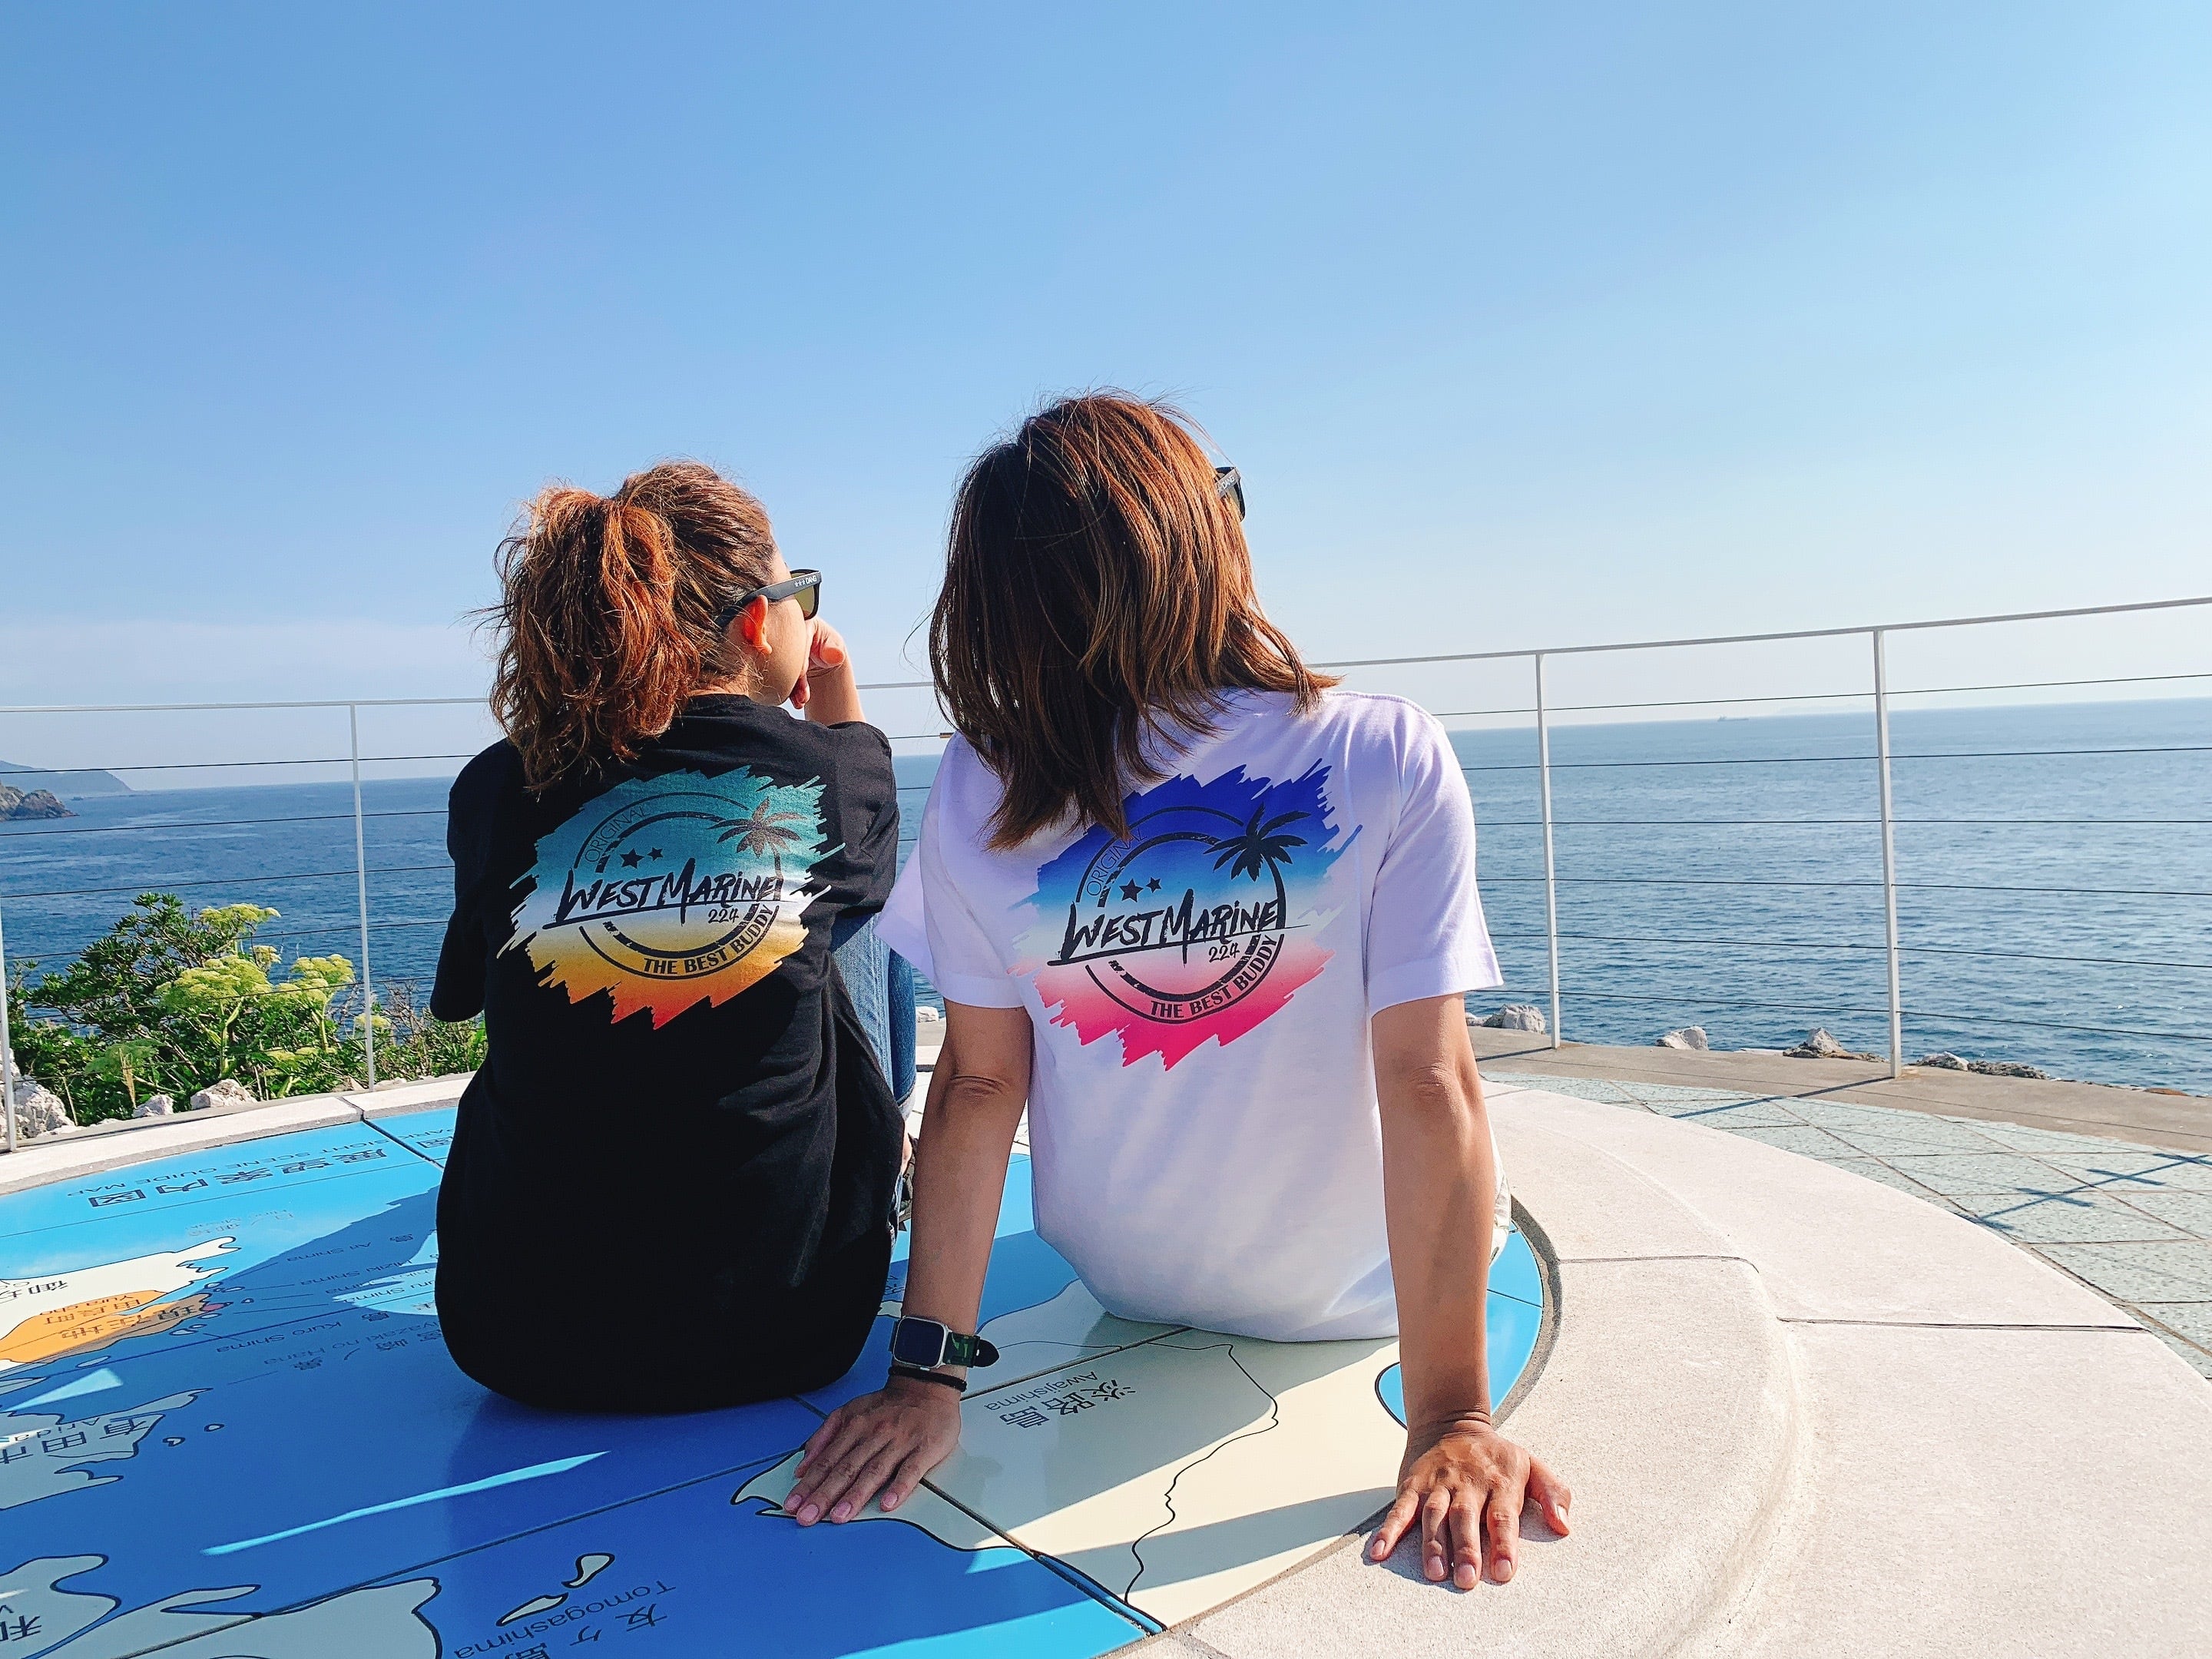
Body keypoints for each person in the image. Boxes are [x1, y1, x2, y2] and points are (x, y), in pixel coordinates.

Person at [786, 396, 1570, 1590]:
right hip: (1353, 1292)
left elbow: (981, 1085)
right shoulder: (1380, 749)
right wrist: (1451, 1417)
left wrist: (926, 1376)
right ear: (1198, 546)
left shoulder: (981, 786)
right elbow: (1427, 1081)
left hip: (1129, 1278)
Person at [430, 461, 903, 1412]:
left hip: (516, 1336)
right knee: (846, 916)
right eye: (800, 593)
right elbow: (852, 809)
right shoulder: (825, 770)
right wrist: (833, 695)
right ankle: (892, 1171)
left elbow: (459, 998)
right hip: (792, 1324)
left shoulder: (495, 785)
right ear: (756, 622)